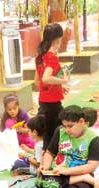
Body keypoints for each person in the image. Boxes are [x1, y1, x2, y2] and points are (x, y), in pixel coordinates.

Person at [23, 106, 99, 188]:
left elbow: (92, 166)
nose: (67, 130)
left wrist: (67, 171)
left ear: (81, 121)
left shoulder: (93, 138)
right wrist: (45, 167)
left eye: (70, 126)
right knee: (41, 182)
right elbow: (50, 153)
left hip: (78, 173)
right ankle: (83, 178)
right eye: (65, 126)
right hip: (58, 174)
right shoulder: (60, 131)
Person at [36, 23, 70, 151]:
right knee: (57, 130)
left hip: (44, 99)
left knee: (50, 131)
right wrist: (62, 81)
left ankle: (48, 156)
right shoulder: (52, 58)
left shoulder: (40, 56)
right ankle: (48, 159)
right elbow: (45, 78)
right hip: (51, 101)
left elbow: (38, 80)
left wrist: (59, 87)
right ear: (57, 39)